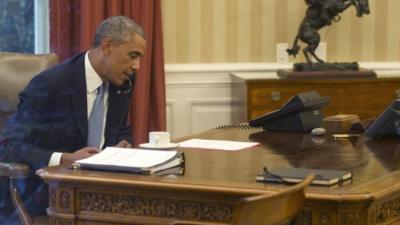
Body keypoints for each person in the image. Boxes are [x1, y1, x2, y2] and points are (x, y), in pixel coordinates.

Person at [0, 15, 146, 225]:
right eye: (133, 55)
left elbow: (120, 128)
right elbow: (8, 146)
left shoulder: (122, 81)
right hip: (51, 194)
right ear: (107, 46)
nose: (137, 66)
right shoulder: (51, 84)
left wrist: (122, 144)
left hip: (102, 191)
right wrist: (63, 159)